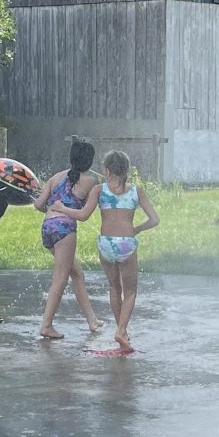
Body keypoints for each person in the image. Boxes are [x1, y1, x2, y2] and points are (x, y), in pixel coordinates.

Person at [50, 150, 158, 353]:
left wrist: (62, 208)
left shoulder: (99, 190)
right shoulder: (136, 191)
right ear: (126, 170)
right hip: (126, 244)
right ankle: (121, 330)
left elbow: (82, 215)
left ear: (107, 171)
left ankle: (121, 331)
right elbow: (155, 220)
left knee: (114, 288)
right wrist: (136, 229)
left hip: (106, 245)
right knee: (131, 291)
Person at [32, 137, 102, 340]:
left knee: (77, 273)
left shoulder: (55, 177)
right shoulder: (91, 181)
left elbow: (38, 205)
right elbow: (85, 212)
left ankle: (92, 321)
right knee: (60, 279)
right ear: (89, 160)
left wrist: (51, 209)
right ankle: (46, 326)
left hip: (48, 227)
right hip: (65, 229)